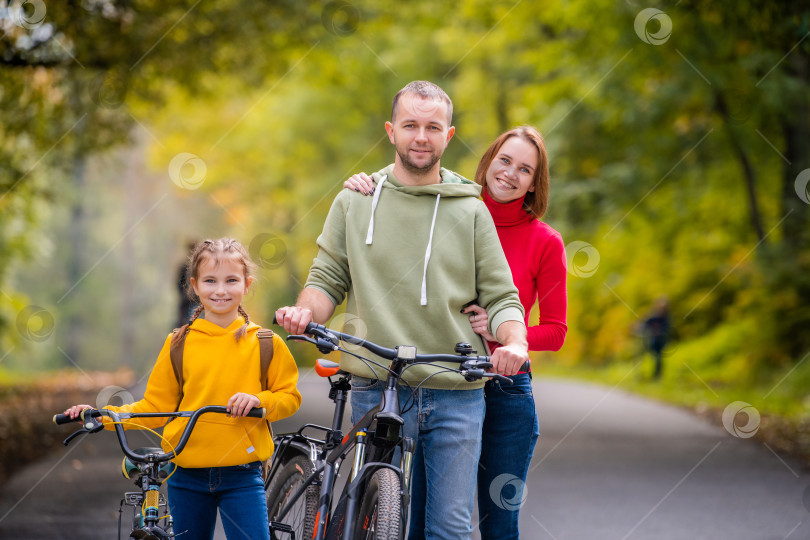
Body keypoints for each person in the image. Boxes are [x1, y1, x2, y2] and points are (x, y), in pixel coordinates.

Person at [276, 81, 529, 540]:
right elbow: (327, 279)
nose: (421, 137)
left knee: (449, 528)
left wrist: (514, 340)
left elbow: (500, 295)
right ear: (391, 131)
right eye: (410, 125)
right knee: (364, 517)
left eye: (433, 127)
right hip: (377, 384)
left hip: (456, 390)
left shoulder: (471, 210)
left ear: (448, 136)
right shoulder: (355, 200)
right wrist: (303, 312)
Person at [344, 126, 568, 539]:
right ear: (488, 161)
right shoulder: (452, 207)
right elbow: (408, 188)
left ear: (535, 182)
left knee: (498, 520)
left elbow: (556, 331)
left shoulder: (546, 242)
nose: (510, 174)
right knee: (424, 518)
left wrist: (504, 337)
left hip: (504, 387)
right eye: (505, 160)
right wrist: (369, 181)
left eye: (524, 169)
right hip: (444, 383)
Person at [65, 238, 302, 540]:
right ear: (195, 285)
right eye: (210, 281)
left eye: (231, 280)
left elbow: (290, 397)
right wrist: (103, 416)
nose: (220, 290)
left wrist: (259, 399)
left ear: (247, 284)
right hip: (185, 474)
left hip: (242, 474)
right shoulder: (178, 343)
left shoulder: (266, 343)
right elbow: (154, 407)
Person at [642, 296, 670, 379]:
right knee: (652, 358)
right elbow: (645, 325)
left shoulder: (665, 319)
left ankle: (657, 375)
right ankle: (650, 375)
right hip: (652, 341)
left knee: (659, 359)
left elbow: (667, 329)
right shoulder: (653, 317)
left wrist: (661, 333)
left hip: (661, 341)